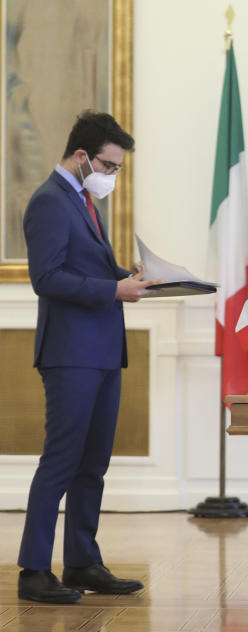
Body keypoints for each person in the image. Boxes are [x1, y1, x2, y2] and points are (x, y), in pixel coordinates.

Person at [18, 111, 161, 604]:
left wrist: (135, 278)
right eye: (108, 165)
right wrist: (115, 289)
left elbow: (89, 268)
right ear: (81, 156)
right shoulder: (50, 202)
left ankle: (81, 561)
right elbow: (47, 278)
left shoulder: (80, 200)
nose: (112, 176)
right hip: (70, 353)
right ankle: (34, 570)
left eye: (117, 168)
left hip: (101, 351)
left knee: (92, 465)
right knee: (60, 461)